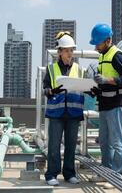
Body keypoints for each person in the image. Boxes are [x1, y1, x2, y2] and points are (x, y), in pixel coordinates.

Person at [89, 23, 122, 175]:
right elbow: (104, 83)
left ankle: (118, 174)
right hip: (105, 104)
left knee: (117, 142)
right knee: (104, 142)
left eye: (97, 44)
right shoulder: (103, 56)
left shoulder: (117, 55)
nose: (96, 48)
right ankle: (107, 172)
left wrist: (106, 80)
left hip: (116, 104)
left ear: (107, 41)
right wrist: (94, 89)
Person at [43, 31, 84, 186]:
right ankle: (51, 174)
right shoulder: (51, 69)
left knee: (71, 146)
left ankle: (69, 173)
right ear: (59, 52)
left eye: (71, 50)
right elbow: (45, 89)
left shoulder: (79, 69)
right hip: (56, 113)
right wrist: (52, 91)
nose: (70, 54)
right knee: (54, 145)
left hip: (73, 113)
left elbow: (83, 87)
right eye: (66, 50)